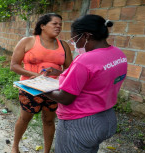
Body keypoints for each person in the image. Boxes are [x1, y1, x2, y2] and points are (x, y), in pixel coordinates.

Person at [43, 14, 127, 153]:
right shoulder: (118, 54)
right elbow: (96, 78)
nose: (74, 43)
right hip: (106, 118)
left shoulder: (85, 60)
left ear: (87, 36)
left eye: (75, 38)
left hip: (80, 123)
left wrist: (41, 88)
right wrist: (61, 73)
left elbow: (66, 98)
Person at [10, 13, 73, 153]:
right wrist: (35, 75)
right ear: (43, 26)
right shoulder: (28, 41)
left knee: (49, 120)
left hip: (54, 90)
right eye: (54, 24)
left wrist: (56, 71)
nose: (58, 27)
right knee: (25, 118)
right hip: (30, 88)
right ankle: (15, 146)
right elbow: (14, 65)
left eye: (60, 24)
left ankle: (46, 151)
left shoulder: (63, 46)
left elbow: (70, 70)